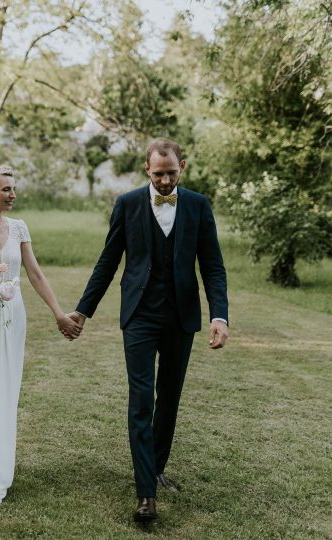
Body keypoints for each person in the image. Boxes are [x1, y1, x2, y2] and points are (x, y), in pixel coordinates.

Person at [68, 138, 229, 522]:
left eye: (171, 173)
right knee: (142, 400)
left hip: (180, 317)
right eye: (158, 174)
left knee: (169, 397)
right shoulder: (126, 205)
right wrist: (82, 311)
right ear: (146, 170)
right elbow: (108, 261)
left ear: (182, 167)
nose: (165, 181)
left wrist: (219, 316)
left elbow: (213, 266)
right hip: (139, 314)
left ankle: (155, 467)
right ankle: (146, 494)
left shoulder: (198, 206)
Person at [0, 165, 82, 509]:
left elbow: (34, 273)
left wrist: (58, 313)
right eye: (6, 189)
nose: (13, 195)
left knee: (4, 391)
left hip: (11, 318)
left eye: (14, 189)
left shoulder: (19, 228)